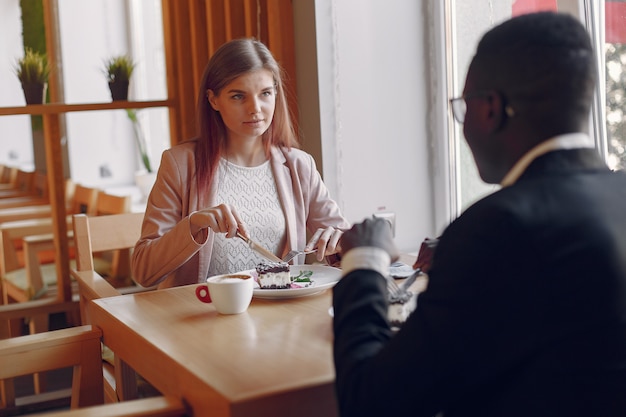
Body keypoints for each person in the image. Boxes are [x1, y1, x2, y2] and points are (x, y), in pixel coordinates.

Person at [332, 12, 626, 417]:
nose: (463, 122)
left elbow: (370, 402)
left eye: (463, 106)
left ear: (490, 109)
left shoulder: (497, 229)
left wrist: (363, 261)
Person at [132, 38, 349, 289]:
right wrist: (192, 225)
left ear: (276, 93)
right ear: (213, 100)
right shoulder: (180, 164)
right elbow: (142, 271)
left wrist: (341, 244)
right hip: (202, 318)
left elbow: (351, 249)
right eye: (238, 96)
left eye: (265, 93)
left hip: (280, 316)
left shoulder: (299, 166)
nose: (255, 108)